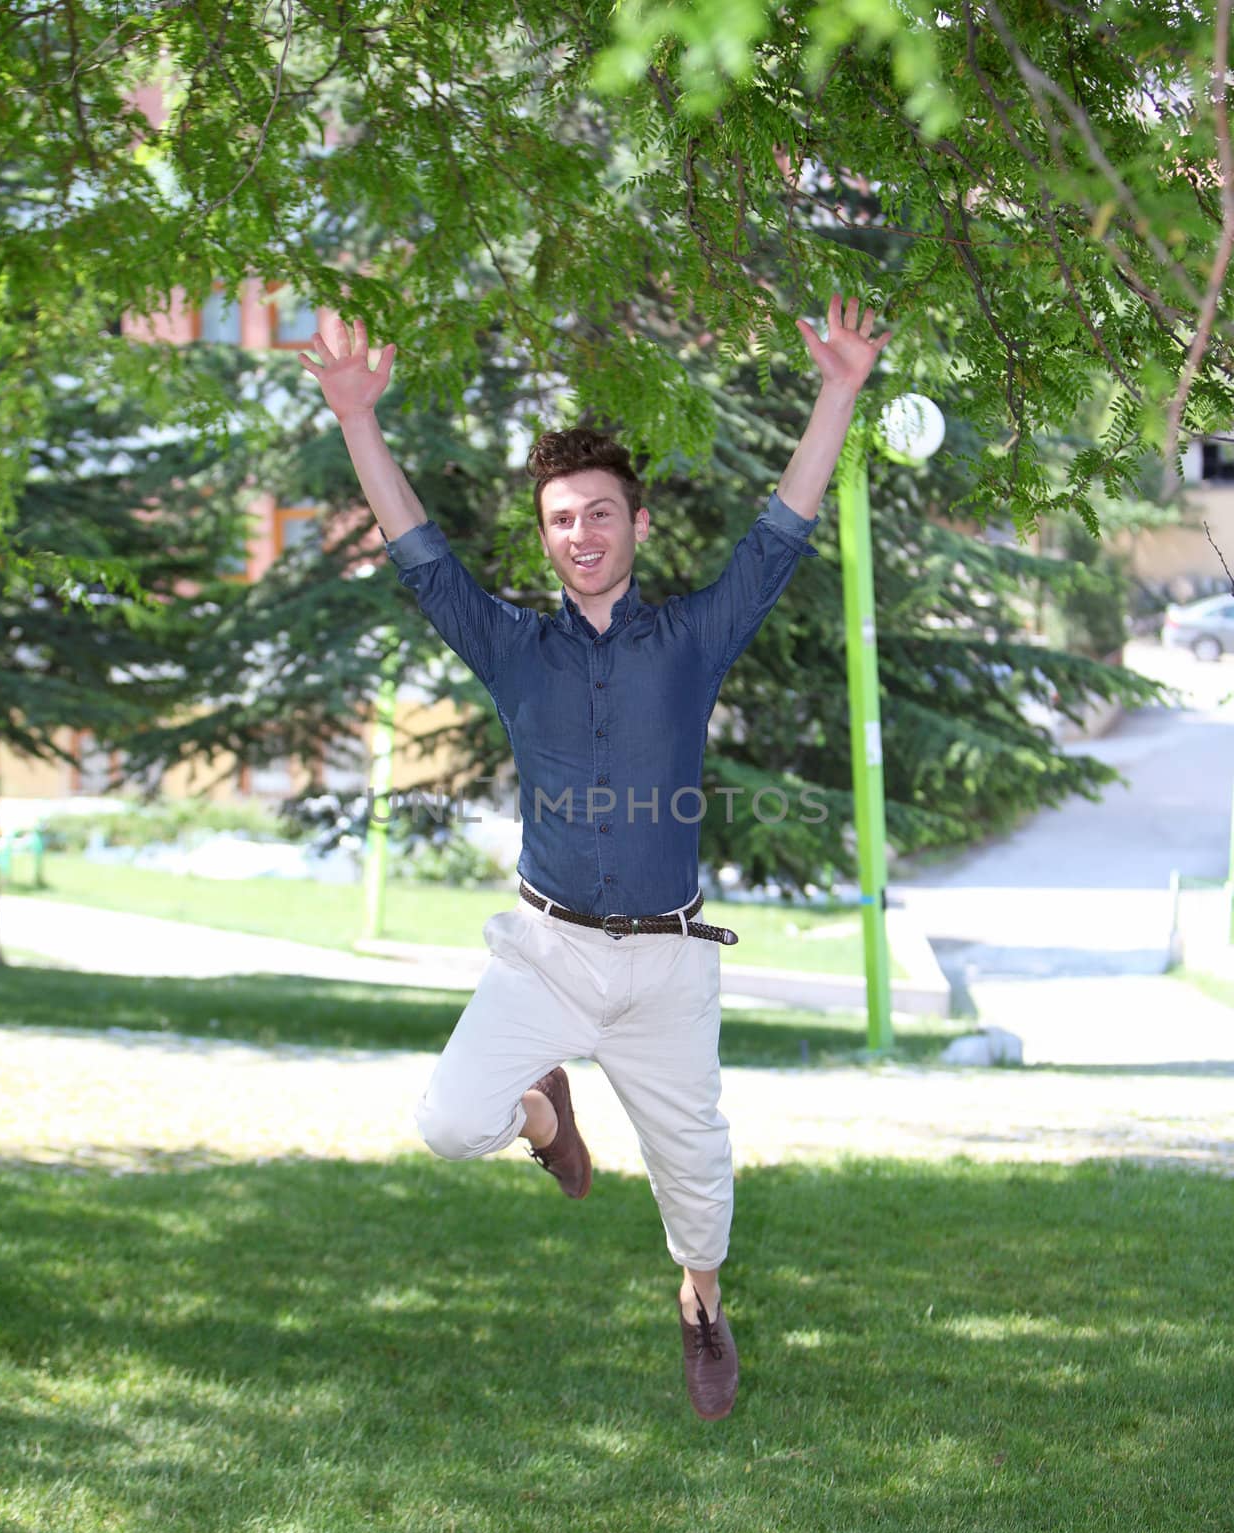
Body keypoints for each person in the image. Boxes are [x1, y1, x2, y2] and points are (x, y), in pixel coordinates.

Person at [301, 294, 892, 1419]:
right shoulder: (511, 648)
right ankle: (545, 1116)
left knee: (699, 1187)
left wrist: (836, 391)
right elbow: (421, 558)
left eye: (600, 514)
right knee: (446, 1123)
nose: (582, 533)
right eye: (562, 518)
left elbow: (778, 535)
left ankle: (700, 1303)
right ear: (545, 534)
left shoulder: (691, 641)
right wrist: (355, 420)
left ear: (638, 525)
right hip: (548, 951)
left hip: (668, 964)